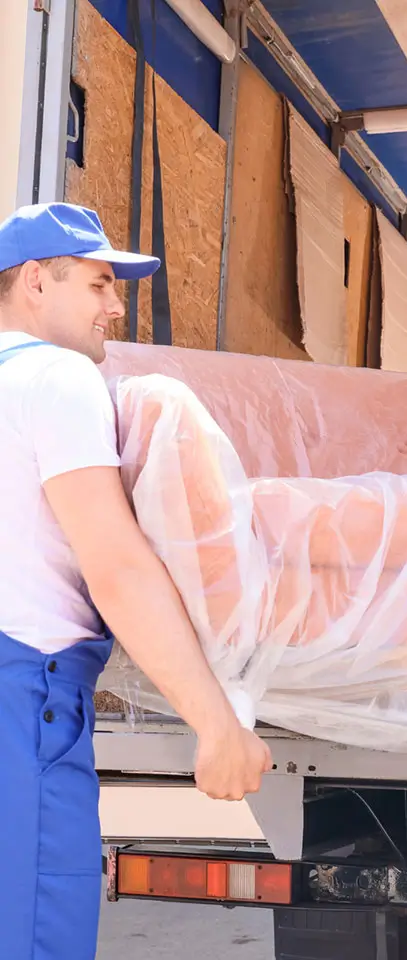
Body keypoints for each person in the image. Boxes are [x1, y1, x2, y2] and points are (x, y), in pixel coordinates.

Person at [0, 201, 272, 960]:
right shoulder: (55, 379)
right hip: (23, 707)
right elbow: (116, 566)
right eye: (97, 285)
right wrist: (216, 722)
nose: (116, 306)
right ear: (33, 283)